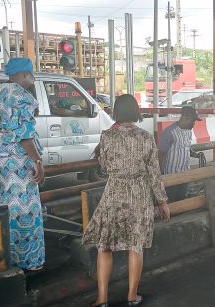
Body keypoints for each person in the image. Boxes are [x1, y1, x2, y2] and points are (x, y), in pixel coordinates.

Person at [83, 94, 171, 307]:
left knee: (104, 246)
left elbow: (103, 167)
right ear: (136, 111)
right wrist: (162, 201)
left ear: (116, 112)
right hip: (139, 193)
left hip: (114, 192)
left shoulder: (107, 136)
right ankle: (132, 296)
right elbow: (154, 173)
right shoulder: (146, 137)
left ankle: (102, 298)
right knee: (136, 245)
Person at [0, 57, 46, 271]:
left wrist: (1, 136)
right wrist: (37, 160)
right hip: (18, 157)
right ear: (25, 73)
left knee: (4, 199)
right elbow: (24, 135)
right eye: (32, 74)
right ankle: (25, 259)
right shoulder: (19, 95)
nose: (32, 78)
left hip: (1, 155)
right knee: (26, 206)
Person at [158, 106, 202, 201]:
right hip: (171, 176)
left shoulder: (189, 132)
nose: (194, 124)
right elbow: (160, 154)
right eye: (193, 121)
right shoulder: (169, 132)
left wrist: (195, 154)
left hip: (185, 174)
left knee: (182, 201)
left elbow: (186, 147)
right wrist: (160, 174)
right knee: (170, 202)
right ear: (186, 118)